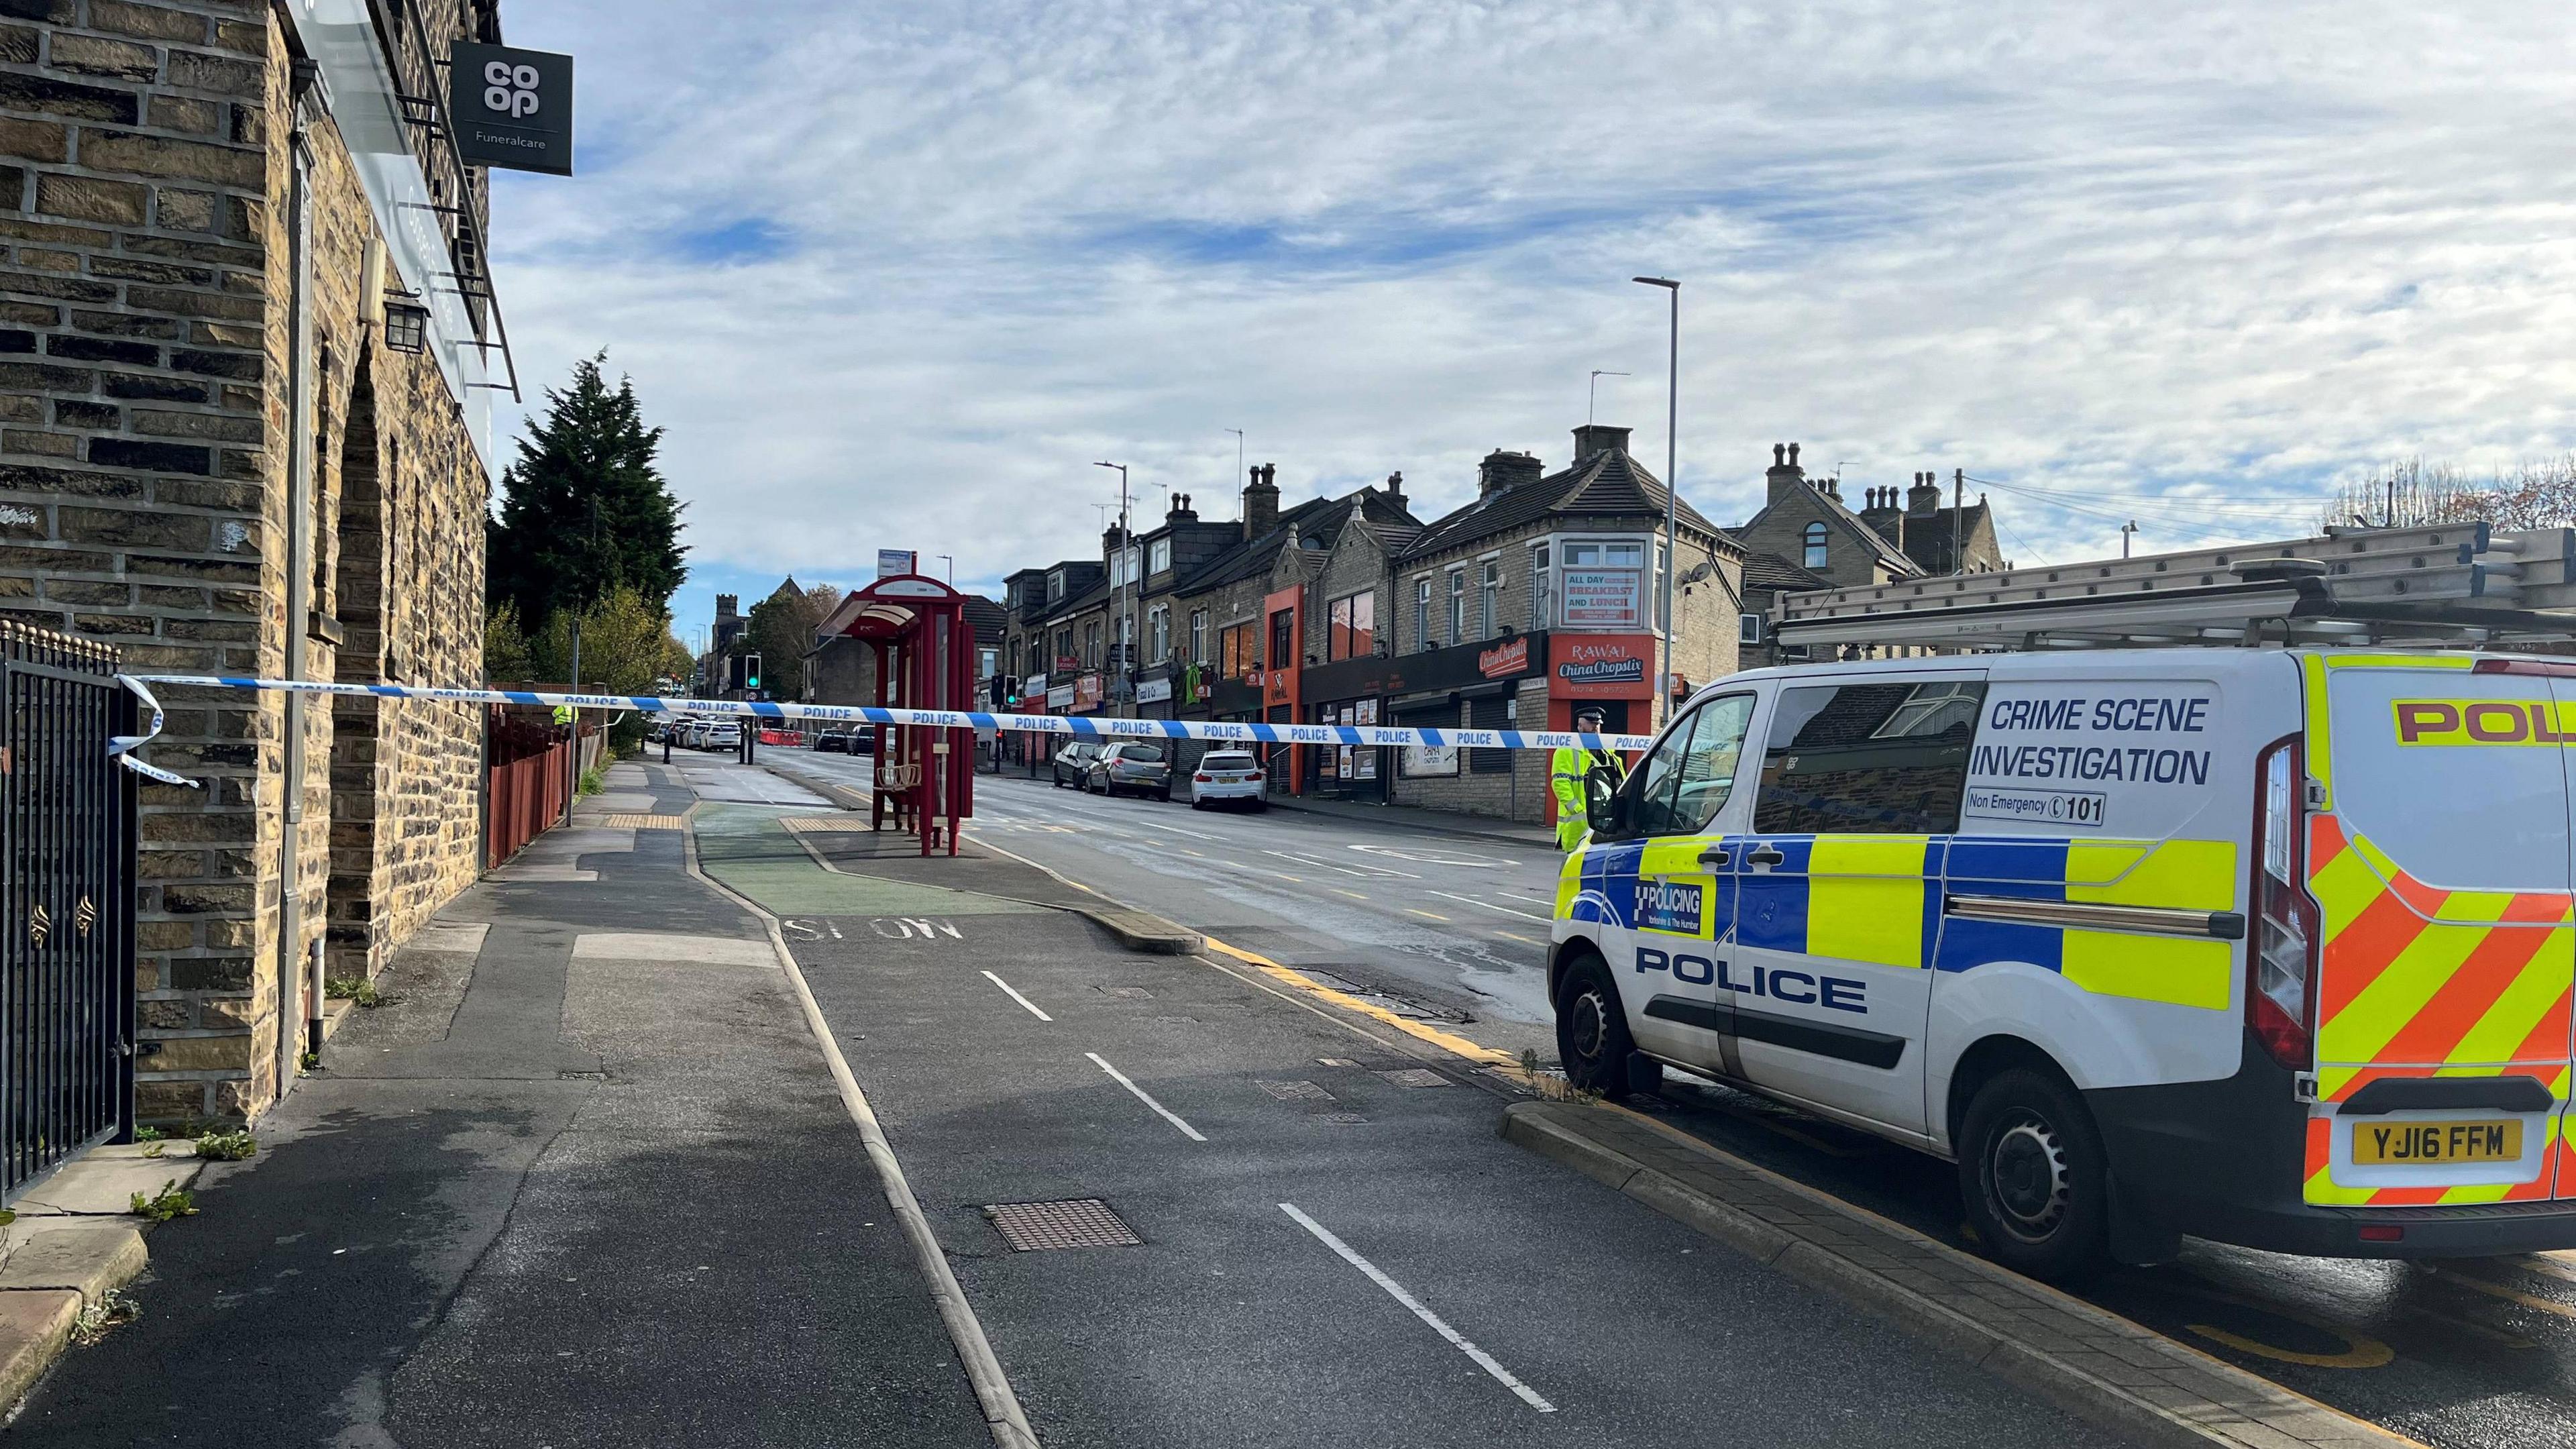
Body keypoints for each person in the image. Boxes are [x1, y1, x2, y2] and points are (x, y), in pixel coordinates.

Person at [1550, 706, 1627, 851]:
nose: (1595, 727)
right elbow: (1560, 784)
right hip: (1579, 828)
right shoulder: (1567, 750)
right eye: (1591, 723)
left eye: (1598, 724)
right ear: (1579, 726)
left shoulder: (1609, 753)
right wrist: (1579, 810)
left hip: (1606, 822)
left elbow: (1621, 781)